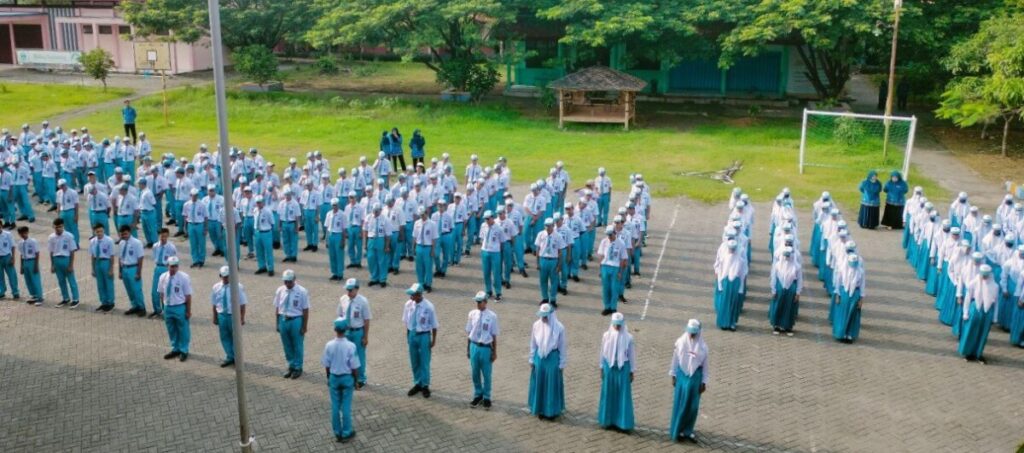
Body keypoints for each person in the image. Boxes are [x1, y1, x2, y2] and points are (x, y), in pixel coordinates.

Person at [669, 319, 709, 443]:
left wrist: (704, 382)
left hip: (695, 378)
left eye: (694, 333)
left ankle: (688, 430)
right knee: (681, 404)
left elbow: (705, 366)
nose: (691, 335)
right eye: (690, 332)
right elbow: (675, 359)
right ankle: (678, 430)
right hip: (682, 376)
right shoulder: (680, 342)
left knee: (693, 406)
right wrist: (673, 375)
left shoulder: (703, 347)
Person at [323, 318, 360, 443]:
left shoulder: (329, 345)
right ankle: (346, 431)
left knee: (335, 406)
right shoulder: (351, 346)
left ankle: (337, 432)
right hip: (347, 378)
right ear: (346, 330)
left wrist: (329, 377)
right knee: (346, 406)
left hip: (334, 377)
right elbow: (354, 367)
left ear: (335, 329)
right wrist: (356, 380)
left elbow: (327, 365)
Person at [597, 312, 635, 432]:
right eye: (615, 324)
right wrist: (601, 367)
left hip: (623, 368)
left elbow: (631, 355)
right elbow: (602, 352)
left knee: (623, 396)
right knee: (608, 393)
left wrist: (632, 371)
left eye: (619, 324)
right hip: (609, 367)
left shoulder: (628, 337)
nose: (617, 327)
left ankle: (622, 423)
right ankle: (607, 420)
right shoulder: (606, 336)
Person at [529, 303, 565, 420]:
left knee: (551, 385)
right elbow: (533, 343)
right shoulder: (536, 325)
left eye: (545, 316)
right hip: (540, 358)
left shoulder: (559, 327)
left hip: (553, 358)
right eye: (542, 315)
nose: (543, 318)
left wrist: (562, 363)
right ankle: (540, 409)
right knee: (540, 384)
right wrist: (531, 358)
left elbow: (562, 347)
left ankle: (551, 411)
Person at [465, 290, 498, 408]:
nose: (478, 304)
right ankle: (478, 394)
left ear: (485, 302)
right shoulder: (472, 314)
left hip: (485, 348)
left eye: (480, 302)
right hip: (474, 346)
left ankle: (487, 397)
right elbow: (469, 332)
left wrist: (494, 352)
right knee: (475, 373)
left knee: (487, 374)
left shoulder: (492, 316)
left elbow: (494, 335)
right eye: (477, 302)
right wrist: (468, 349)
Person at [403, 283, 437, 398]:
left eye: (413, 294)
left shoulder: (428, 307)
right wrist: (408, 336)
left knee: (424, 361)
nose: (411, 297)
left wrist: (433, 340)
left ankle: (425, 385)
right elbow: (407, 322)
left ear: (419, 294)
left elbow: (434, 325)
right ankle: (417, 383)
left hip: (424, 335)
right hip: (412, 334)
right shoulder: (408, 304)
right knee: (414, 361)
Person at [274, 269, 309, 379]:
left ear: (294, 279)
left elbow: (305, 310)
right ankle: (291, 365)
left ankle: (298, 367)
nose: (287, 284)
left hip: (296, 320)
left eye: (289, 281)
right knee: (287, 345)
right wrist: (277, 323)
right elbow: (277, 307)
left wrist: (304, 326)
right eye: (285, 281)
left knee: (297, 345)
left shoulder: (302, 291)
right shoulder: (280, 290)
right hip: (283, 319)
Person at [336, 278, 371, 389]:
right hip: (346, 332)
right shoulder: (343, 299)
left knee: (359, 356)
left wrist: (365, 337)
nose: (348, 292)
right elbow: (340, 315)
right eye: (347, 290)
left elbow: (366, 320)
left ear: (357, 289)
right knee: (346, 355)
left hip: (357, 332)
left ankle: (361, 379)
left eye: (351, 290)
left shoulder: (363, 302)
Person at [958, 264, 997, 363]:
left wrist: (994, 318)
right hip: (975, 309)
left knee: (982, 333)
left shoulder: (995, 286)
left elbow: (996, 303)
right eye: (983, 275)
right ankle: (968, 353)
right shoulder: (973, 283)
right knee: (971, 331)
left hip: (987, 312)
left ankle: (978, 354)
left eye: (986, 275)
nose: (984, 277)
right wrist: (965, 313)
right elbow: (968, 298)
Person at [157, 256, 192, 361]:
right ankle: (175, 348)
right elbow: (161, 293)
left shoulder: (184, 277)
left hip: (179, 306)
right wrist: (163, 308)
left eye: (175, 266)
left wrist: (188, 311)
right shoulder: (163, 277)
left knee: (183, 330)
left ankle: (184, 350)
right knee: (171, 329)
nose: (173, 268)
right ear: (167, 266)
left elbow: (188, 295)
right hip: (168, 307)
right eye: (171, 266)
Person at [212, 265, 247, 368]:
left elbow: (242, 304)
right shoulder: (216, 287)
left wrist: (242, 318)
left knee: (236, 338)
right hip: (222, 315)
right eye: (224, 276)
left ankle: (238, 357)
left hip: (233, 316)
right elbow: (214, 303)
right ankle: (229, 356)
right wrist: (215, 316)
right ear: (220, 276)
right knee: (224, 336)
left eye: (228, 276)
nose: (226, 278)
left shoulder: (237, 287)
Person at [714, 240, 747, 331]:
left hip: (735, 282)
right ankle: (723, 323)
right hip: (726, 281)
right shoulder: (724, 257)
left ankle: (732, 323)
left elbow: (743, 273)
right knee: (725, 302)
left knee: (733, 302)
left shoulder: (740, 260)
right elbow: (720, 270)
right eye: (730, 249)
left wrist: (741, 287)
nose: (731, 251)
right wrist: (720, 283)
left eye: (733, 249)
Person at [768, 246, 803, 335]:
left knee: (789, 307)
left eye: (788, 256)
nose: (786, 258)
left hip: (791, 289)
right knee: (778, 306)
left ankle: (788, 327)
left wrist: (798, 292)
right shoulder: (777, 265)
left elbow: (800, 280)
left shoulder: (797, 267)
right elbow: (773, 278)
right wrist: (773, 290)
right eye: (785, 256)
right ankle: (776, 326)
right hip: (779, 287)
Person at [833, 254, 866, 343]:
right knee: (843, 314)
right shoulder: (843, 270)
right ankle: (841, 334)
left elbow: (862, 285)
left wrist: (861, 299)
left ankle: (850, 335)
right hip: (844, 293)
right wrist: (837, 294)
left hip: (855, 294)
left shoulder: (860, 272)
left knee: (852, 315)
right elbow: (838, 282)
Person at [597, 226, 628, 316]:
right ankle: (607, 307)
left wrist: (620, 272)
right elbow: (601, 255)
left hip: (615, 267)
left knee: (614, 288)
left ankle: (613, 307)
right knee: (605, 288)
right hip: (605, 266)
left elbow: (623, 259)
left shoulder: (620, 243)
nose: (609, 237)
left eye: (610, 235)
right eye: (608, 235)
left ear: (615, 233)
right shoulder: (604, 241)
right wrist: (600, 269)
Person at [49, 218, 80, 308]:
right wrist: (52, 264)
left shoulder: (69, 236)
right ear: (53, 227)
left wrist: (71, 265)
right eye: (56, 227)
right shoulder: (51, 237)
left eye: (60, 227)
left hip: (66, 259)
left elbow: (72, 251)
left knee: (71, 280)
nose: (58, 229)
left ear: (63, 226)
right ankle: (65, 298)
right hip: (56, 259)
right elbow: (51, 251)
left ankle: (75, 299)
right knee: (61, 281)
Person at [118, 225, 146, 316]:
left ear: (129, 232)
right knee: (129, 290)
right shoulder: (121, 243)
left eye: (125, 234)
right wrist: (120, 271)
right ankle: (135, 306)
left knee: (136, 290)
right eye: (122, 234)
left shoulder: (137, 243)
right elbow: (120, 258)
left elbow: (140, 258)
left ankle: (141, 307)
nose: (124, 236)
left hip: (133, 268)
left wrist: (138, 273)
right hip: (124, 268)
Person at [535, 218, 564, 306]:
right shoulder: (540, 234)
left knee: (554, 281)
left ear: (553, 225)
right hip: (543, 259)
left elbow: (560, 252)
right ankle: (545, 298)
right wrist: (537, 262)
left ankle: (553, 299)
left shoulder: (558, 236)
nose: (547, 227)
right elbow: (538, 249)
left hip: (553, 260)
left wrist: (559, 265)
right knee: (543, 280)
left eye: (549, 226)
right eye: (546, 226)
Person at [478, 210, 505, 301]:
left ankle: (498, 293)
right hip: (485, 251)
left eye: (488, 219)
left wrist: (497, 250)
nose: (486, 220)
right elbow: (482, 238)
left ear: (492, 218)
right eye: (485, 219)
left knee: (496, 273)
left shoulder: (499, 228)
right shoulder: (483, 225)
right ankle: (488, 291)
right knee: (486, 272)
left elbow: (502, 242)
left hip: (495, 252)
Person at [363, 203, 392, 288]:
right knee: (371, 259)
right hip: (371, 239)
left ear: (380, 210)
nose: (375, 212)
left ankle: (382, 279)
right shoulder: (368, 217)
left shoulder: (385, 219)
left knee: (382, 260)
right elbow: (365, 231)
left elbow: (388, 234)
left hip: (380, 239)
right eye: (374, 211)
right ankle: (374, 278)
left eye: (377, 211)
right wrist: (365, 243)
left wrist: (387, 246)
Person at [149, 228, 176, 318]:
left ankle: (166, 311)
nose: (163, 238)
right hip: (158, 267)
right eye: (161, 236)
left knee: (165, 291)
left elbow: (174, 260)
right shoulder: (155, 246)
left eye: (165, 236)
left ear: (167, 236)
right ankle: (157, 310)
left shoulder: (171, 247)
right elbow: (154, 256)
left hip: (166, 268)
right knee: (155, 291)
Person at [412, 206, 438, 292]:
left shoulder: (432, 224)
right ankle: (421, 283)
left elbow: (434, 238)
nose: (422, 217)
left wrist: (433, 250)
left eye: (423, 215)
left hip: (428, 247)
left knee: (428, 267)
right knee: (419, 267)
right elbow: (415, 236)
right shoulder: (417, 223)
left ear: (426, 213)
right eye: (420, 215)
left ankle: (428, 284)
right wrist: (413, 247)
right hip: (419, 246)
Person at [16, 226, 42, 305]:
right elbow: (21, 254)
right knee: (28, 280)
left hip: (32, 261)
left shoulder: (33, 241)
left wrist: (36, 265)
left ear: (27, 232)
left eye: (24, 233)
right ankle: (33, 295)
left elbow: (37, 253)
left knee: (35, 280)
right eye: (21, 233)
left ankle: (39, 297)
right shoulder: (20, 243)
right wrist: (21, 266)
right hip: (25, 261)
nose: (23, 235)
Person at [324, 198, 347, 281]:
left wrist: (343, 240)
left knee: (339, 255)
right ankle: (334, 273)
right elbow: (327, 228)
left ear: (338, 205)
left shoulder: (342, 214)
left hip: (338, 235)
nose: (335, 207)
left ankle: (340, 273)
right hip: (331, 235)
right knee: (332, 255)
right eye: (333, 205)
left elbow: (344, 229)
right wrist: (326, 239)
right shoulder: (329, 214)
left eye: (336, 205)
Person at [253, 196, 275, 277]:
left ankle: (270, 268)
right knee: (259, 251)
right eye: (257, 202)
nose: (258, 204)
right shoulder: (255, 210)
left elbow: (272, 223)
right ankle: (262, 266)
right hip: (257, 232)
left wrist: (269, 232)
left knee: (268, 251)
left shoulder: (268, 211)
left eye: (260, 202)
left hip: (266, 232)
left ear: (263, 202)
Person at [0, 226, 19, 300]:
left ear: (1, 226)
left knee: (12, 275)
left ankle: (15, 292)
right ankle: (1, 291)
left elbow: (13, 246)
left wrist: (13, 257)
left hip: (7, 256)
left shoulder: (7, 234)